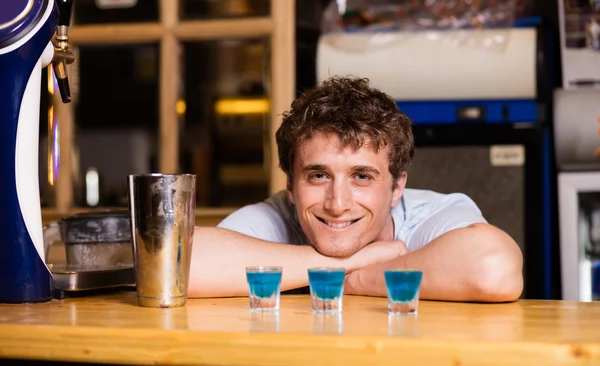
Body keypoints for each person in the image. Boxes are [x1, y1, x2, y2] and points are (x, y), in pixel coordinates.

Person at [189, 76, 523, 302]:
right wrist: (353, 260)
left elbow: (493, 268)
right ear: (291, 184)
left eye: (361, 177)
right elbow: (180, 265)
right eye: (318, 175)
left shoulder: (433, 216)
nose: (337, 204)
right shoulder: (276, 217)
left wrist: (356, 279)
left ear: (397, 187)